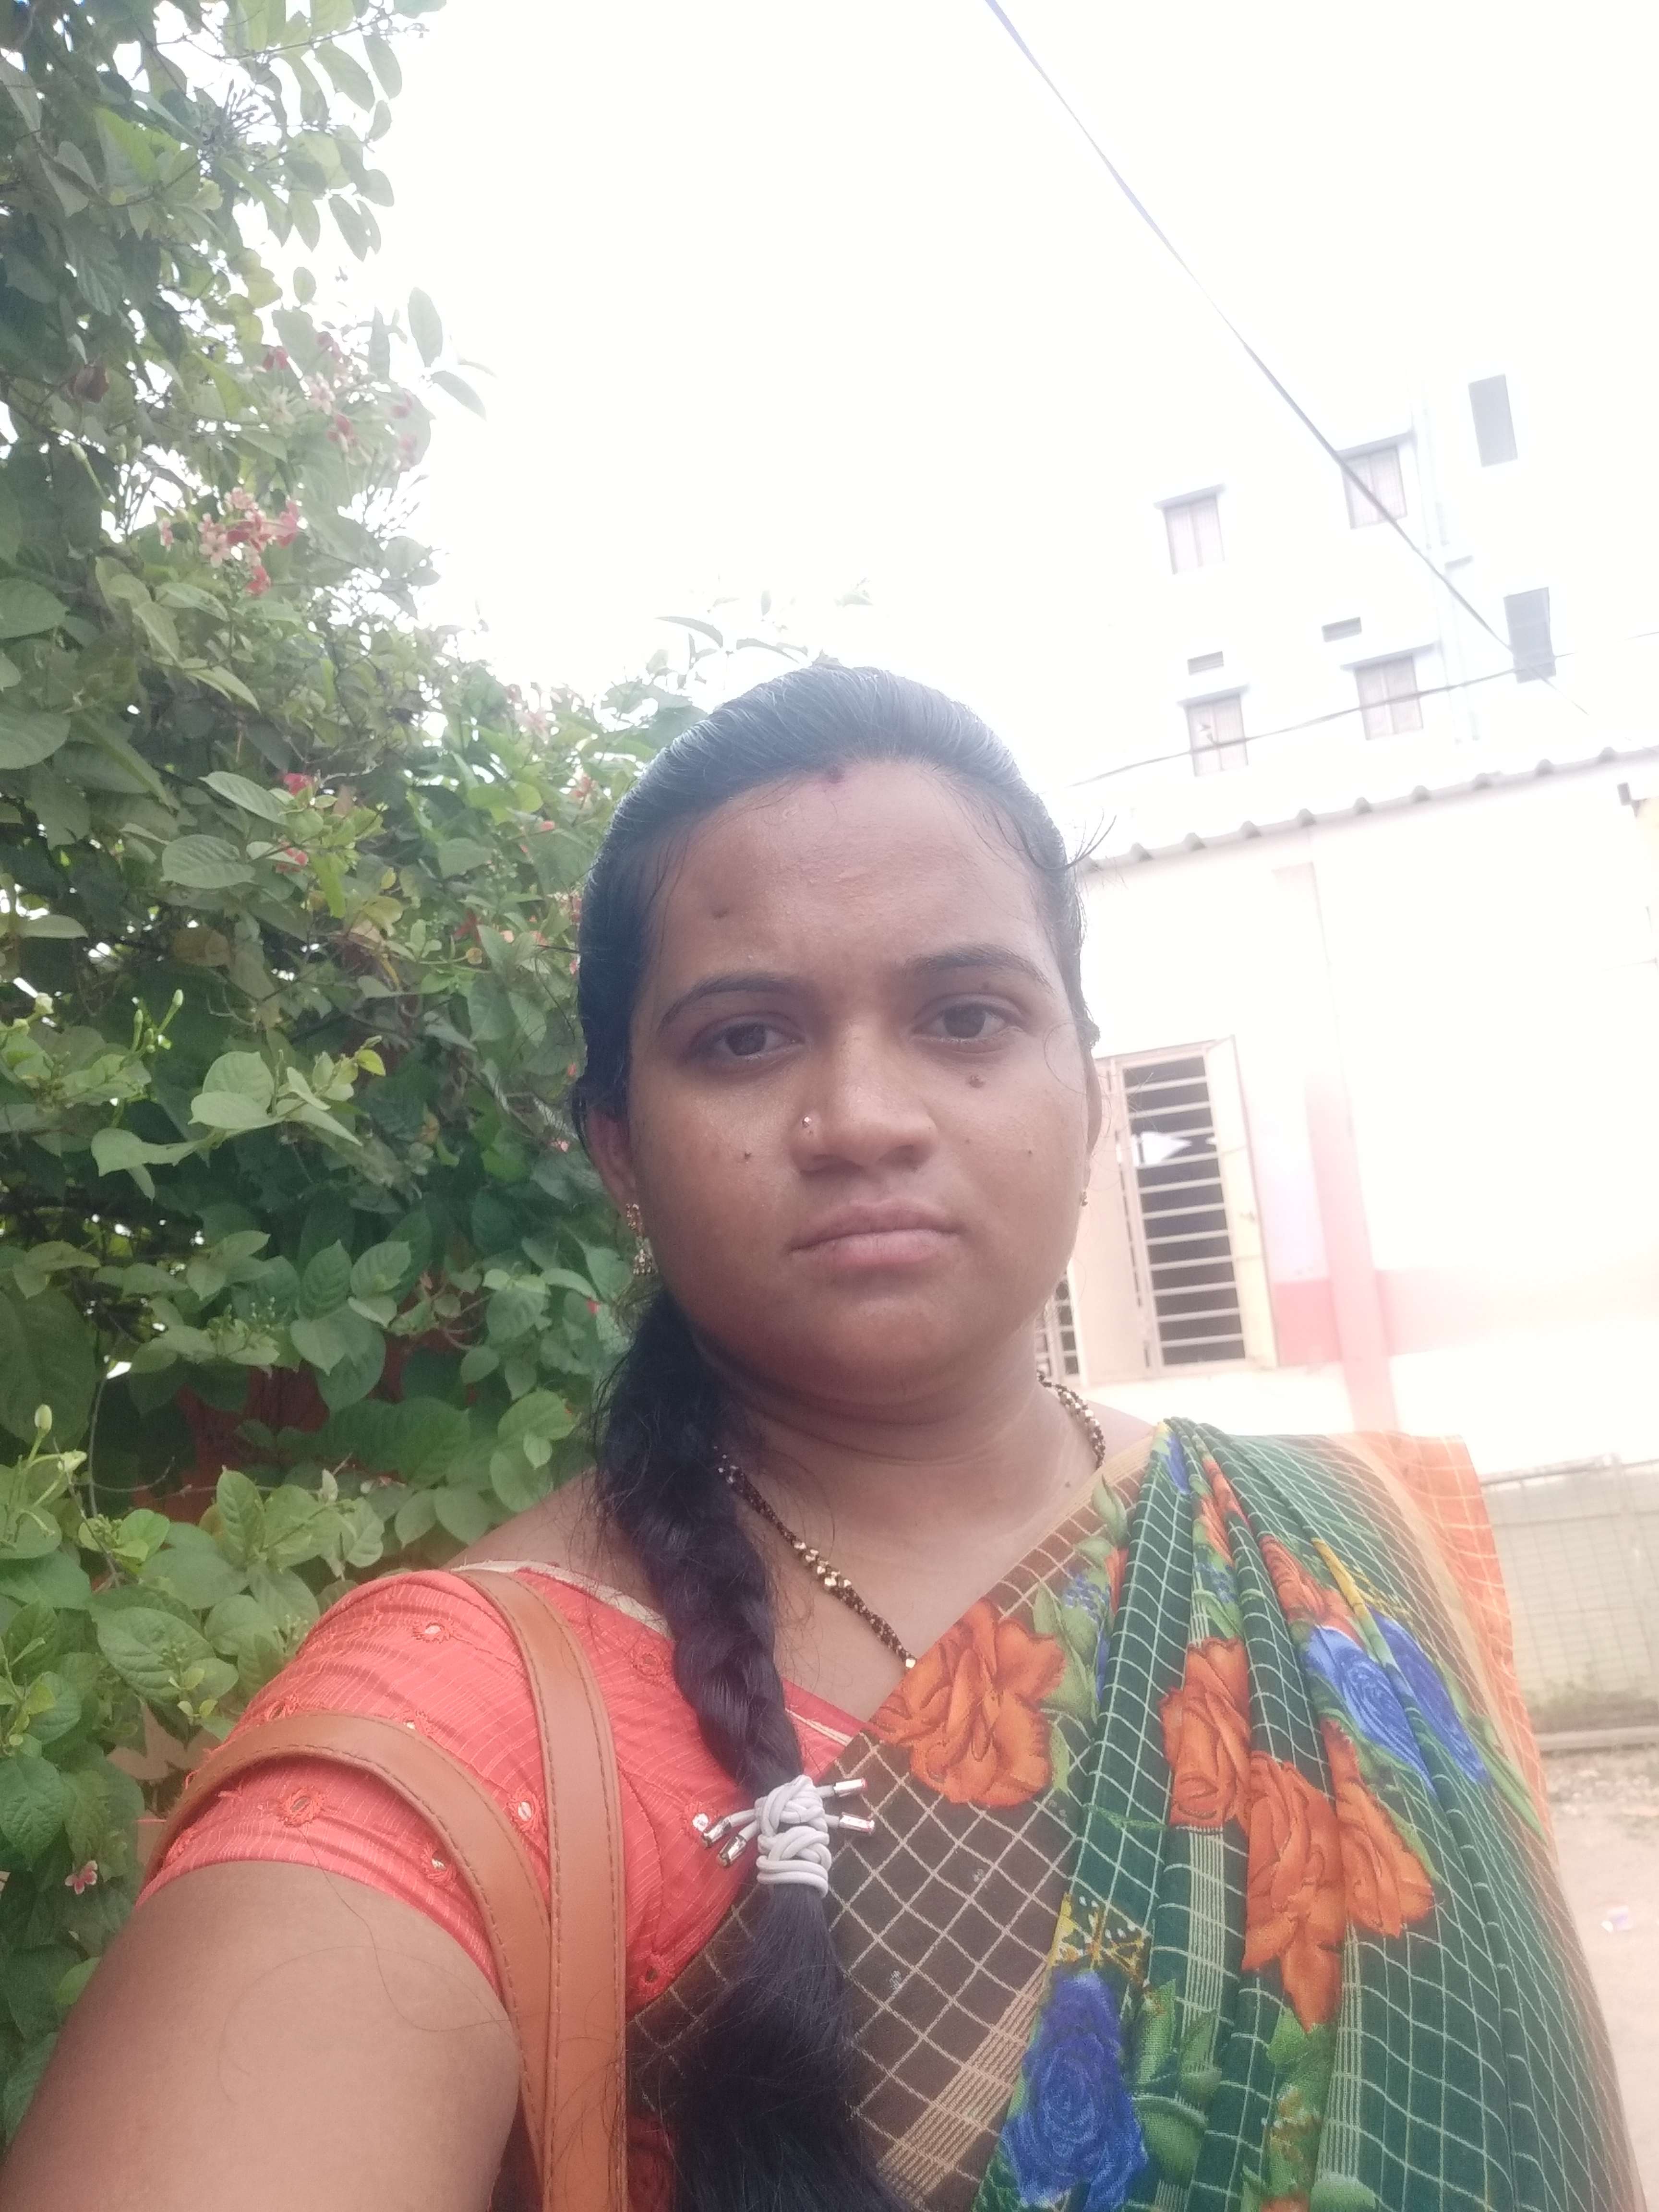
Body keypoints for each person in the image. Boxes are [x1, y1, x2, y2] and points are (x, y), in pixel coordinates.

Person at [3, 665, 1635, 2212]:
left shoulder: (1351, 1544)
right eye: (745, 1037)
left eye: (967, 1016)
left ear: (1084, 1084)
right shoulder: (463, 1749)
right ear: (620, 1151)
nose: (863, 1117)